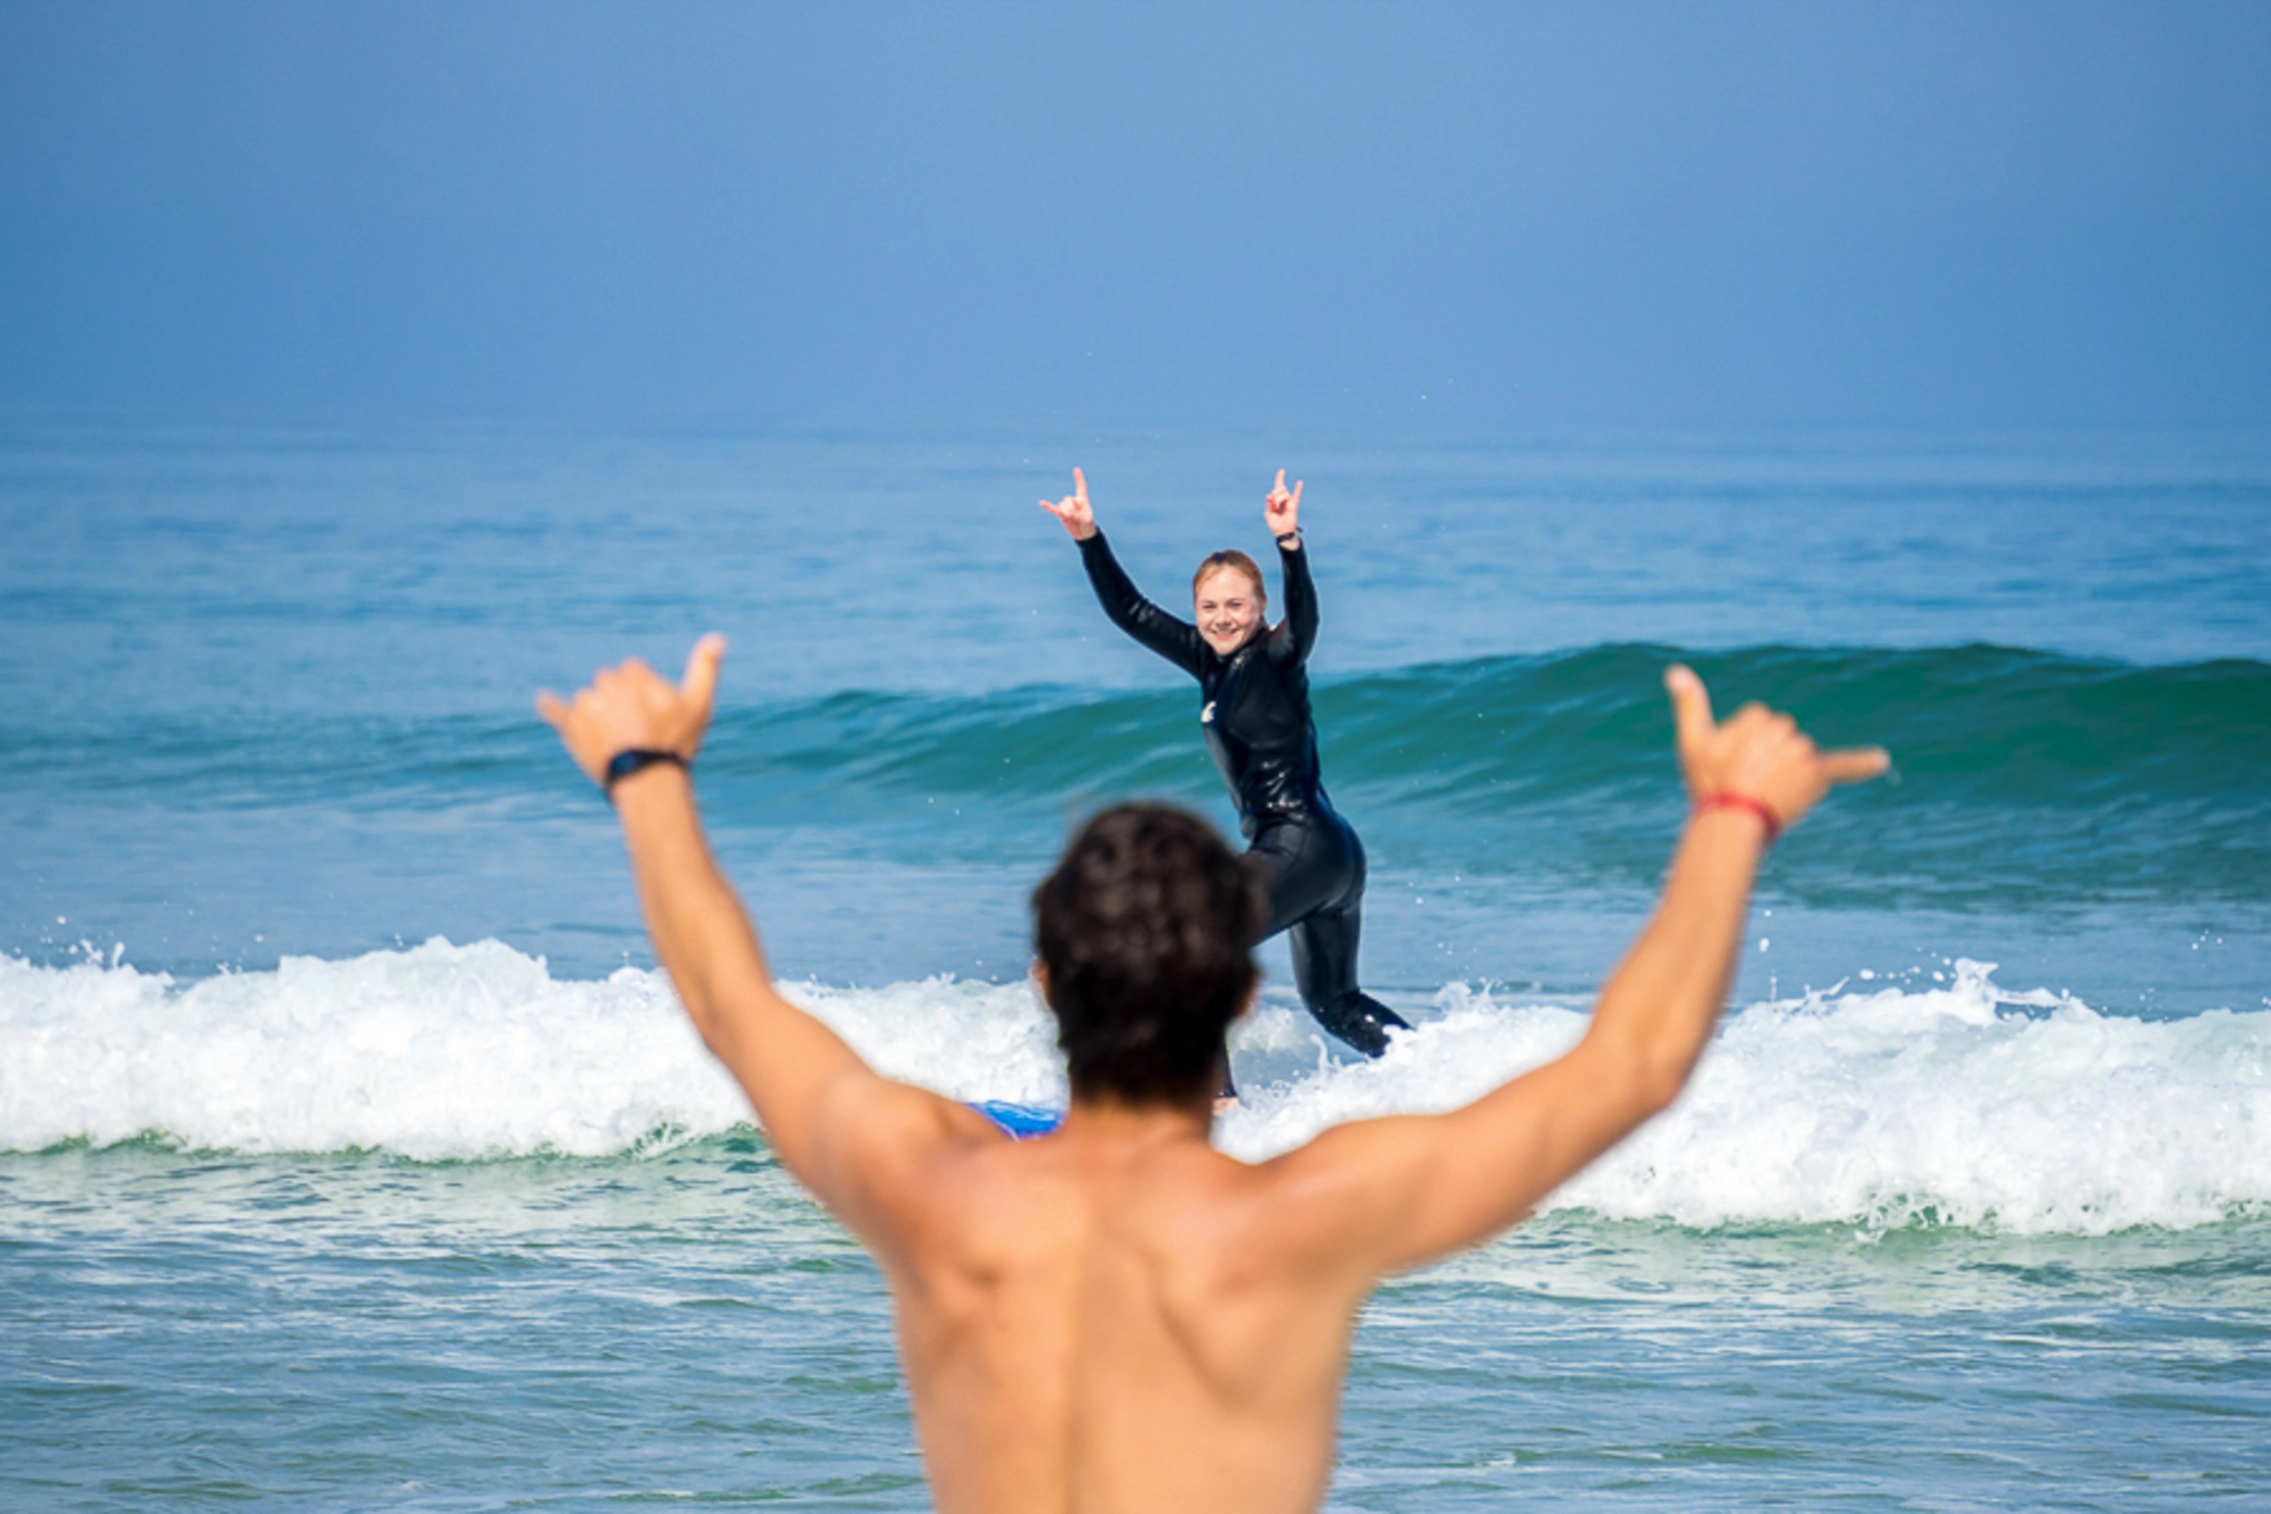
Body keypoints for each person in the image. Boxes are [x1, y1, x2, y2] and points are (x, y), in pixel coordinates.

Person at [538, 634, 1886, 1514]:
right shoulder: (1298, 1219)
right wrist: (1730, 813)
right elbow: (1634, 1064)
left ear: (1051, 984)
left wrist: (646, 770)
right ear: (1244, 989)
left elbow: (727, 1004)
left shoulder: (926, 1181)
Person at [1040, 468, 1406, 1066]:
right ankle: (1445, 1077)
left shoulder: (1276, 658)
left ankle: (1218, 1110)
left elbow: (1306, 619)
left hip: (1300, 845)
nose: (1221, 617)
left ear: (1261, 609)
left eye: (1236, 605)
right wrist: (1088, 538)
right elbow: (1130, 610)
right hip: (1326, 855)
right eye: (1208, 606)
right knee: (1336, 1003)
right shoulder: (1208, 663)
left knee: (1190, 954)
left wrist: (1290, 544)